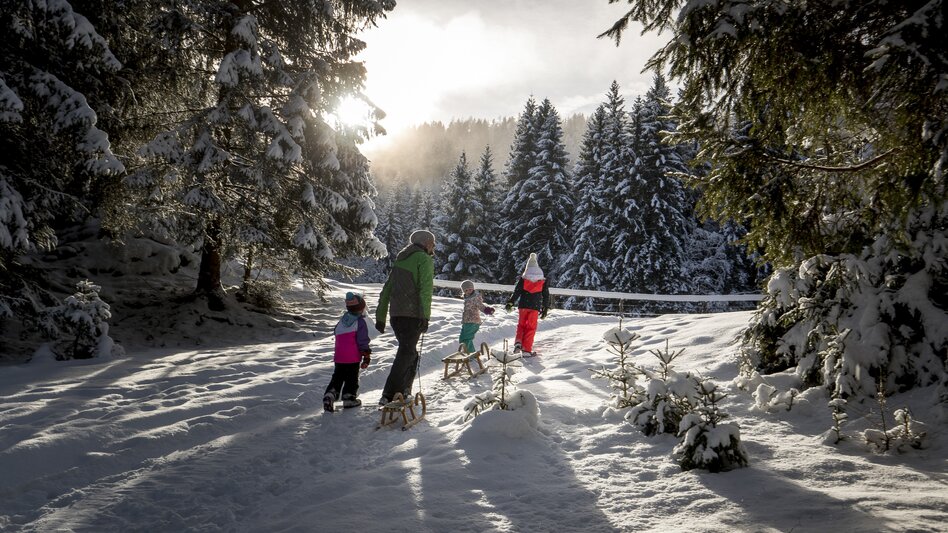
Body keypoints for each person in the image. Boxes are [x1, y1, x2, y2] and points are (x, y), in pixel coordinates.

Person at [375, 229, 435, 405]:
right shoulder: (424, 259)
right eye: (432, 243)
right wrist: (425, 316)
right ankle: (389, 393)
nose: (433, 246)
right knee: (407, 352)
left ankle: (405, 390)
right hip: (413, 316)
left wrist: (381, 317)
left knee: (410, 352)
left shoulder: (400, 259)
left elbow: (387, 289)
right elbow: (425, 290)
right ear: (425, 243)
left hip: (396, 316)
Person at [324, 292, 372, 412]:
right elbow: (362, 340)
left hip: (339, 356)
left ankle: (330, 395)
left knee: (338, 377)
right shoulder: (360, 322)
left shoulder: (342, 320)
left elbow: (336, 332)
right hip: (352, 357)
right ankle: (349, 398)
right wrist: (366, 355)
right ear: (361, 309)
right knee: (352, 378)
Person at [505, 252, 550, 356]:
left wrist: (511, 302)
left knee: (521, 325)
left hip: (523, 306)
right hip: (535, 307)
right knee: (531, 327)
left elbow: (517, 292)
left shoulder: (524, 279)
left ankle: (518, 343)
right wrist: (545, 308)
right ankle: (526, 349)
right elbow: (546, 295)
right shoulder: (542, 281)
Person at [458, 279, 495, 353]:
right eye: (466, 290)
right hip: (466, 321)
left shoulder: (475, 297)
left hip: (473, 321)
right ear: (464, 291)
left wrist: (487, 310)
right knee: (462, 338)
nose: (469, 291)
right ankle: (467, 351)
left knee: (467, 338)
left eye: (470, 289)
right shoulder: (467, 298)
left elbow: (481, 306)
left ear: (473, 289)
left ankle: (469, 354)